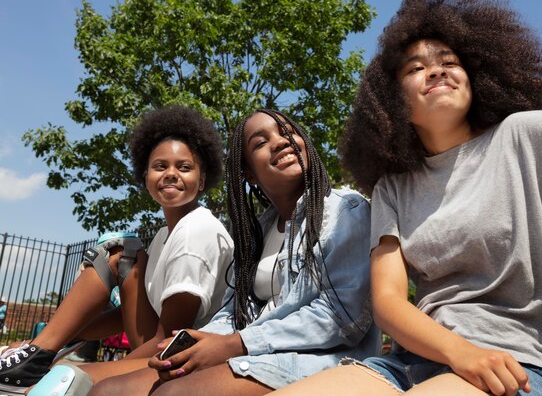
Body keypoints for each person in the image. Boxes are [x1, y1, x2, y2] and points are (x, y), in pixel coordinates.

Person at [269, 0, 542, 396]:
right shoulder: (393, 188)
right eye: (414, 68)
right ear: (390, 100)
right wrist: (458, 352)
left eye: (449, 62)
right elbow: (388, 302)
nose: (435, 70)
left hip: (519, 361)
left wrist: (472, 357)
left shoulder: (525, 136)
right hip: (410, 362)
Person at [88, 109, 380, 396]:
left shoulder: (345, 210)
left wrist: (236, 344)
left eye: (287, 132)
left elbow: (342, 319)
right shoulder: (256, 234)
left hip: (323, 360)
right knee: (110, 390)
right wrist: (198, 342)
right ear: (249, 174)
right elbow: (233, 314)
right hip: (252, 353)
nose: (280, 141)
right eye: (260, 142)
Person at [0, 105, 233, 394]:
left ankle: (37, 361)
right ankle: (36, 352)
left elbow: (168, 339)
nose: (171, 174)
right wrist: (60, 336)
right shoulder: (164, 235)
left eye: (184, 167)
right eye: (160, 166)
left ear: (202, 180)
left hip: (180, 353)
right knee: (121, 256)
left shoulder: (196, 231)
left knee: (63, 379)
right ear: (145, 175)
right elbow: (126, 315)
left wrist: (80, 372)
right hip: (158, 341)